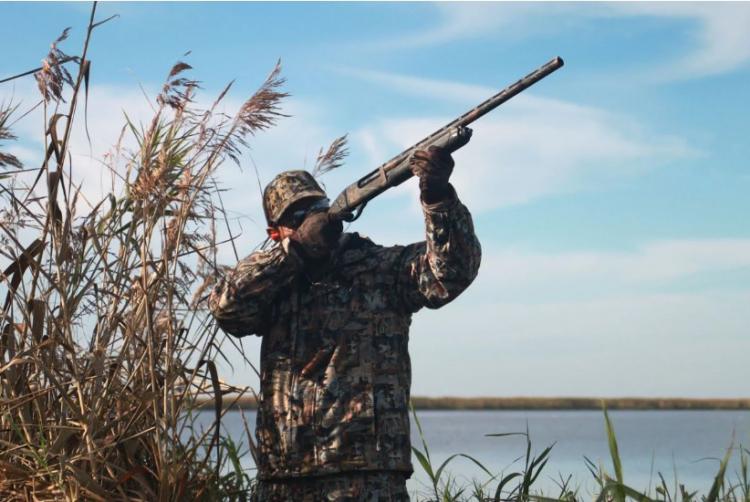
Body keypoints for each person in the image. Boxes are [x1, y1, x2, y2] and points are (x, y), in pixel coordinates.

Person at [209, 145, 481, 501]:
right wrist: (294, 252)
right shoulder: (274, 285)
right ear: (275, 233)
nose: (312, 219)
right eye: (297, 217)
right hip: (282, 478)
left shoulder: (381, 268)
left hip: (368, 476)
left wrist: (438, 198)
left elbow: (452, 272)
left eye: (317, 208)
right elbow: (227, 309)